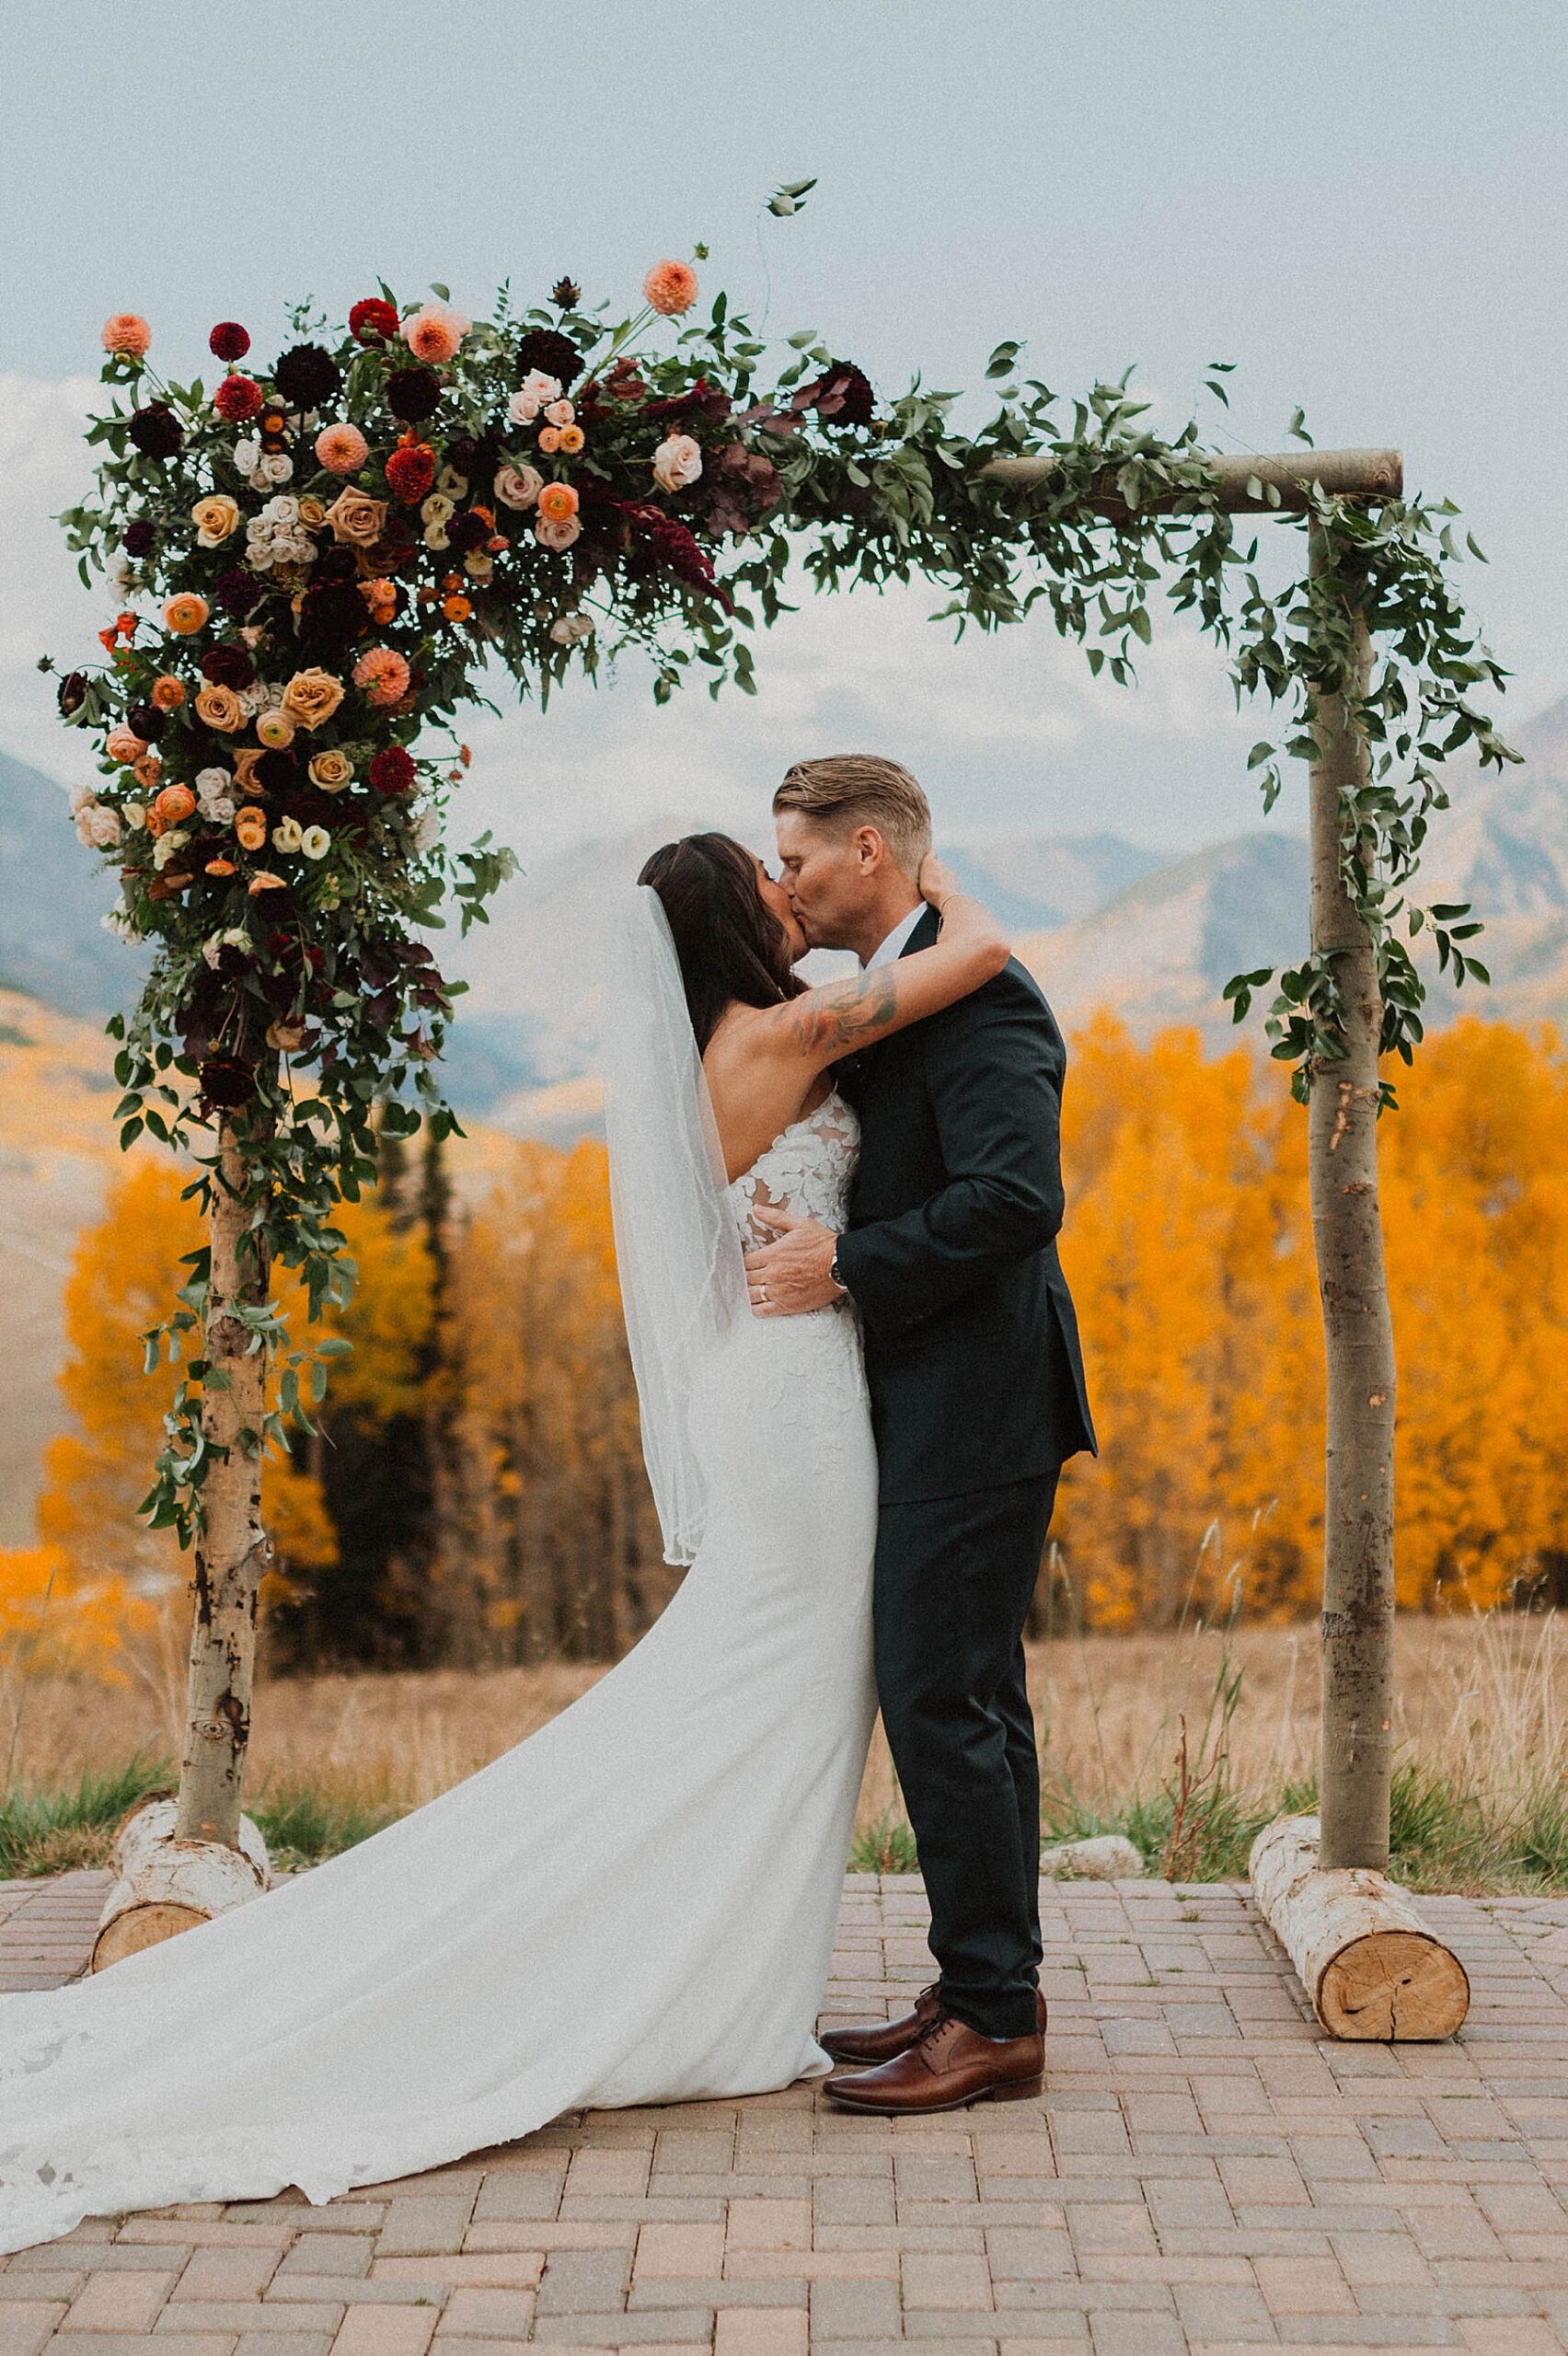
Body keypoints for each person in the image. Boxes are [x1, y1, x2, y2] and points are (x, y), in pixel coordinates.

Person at [0, 817, 1015, 2254]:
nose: (791, 896)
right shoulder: (781, 1037)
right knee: (779, 1682)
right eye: (769, 882)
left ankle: (728, 1986)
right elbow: (977, 954)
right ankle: (696, 1991)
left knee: (769, 1692)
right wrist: (929, 865)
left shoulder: (736, 1045)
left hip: (784, 1383)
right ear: (730, 923)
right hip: (793, 1409)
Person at [746, 754, 1096, 2116]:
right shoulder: (914, 975)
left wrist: (846, 1264)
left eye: (802, 857)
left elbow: (1021, 1200)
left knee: (941, 1696)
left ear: (873, 851)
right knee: (968, 1696)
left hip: (983, 1394)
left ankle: (996, 2019)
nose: (786, 880)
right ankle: (980, 1990)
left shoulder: (983, 997)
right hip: (938, 1391)